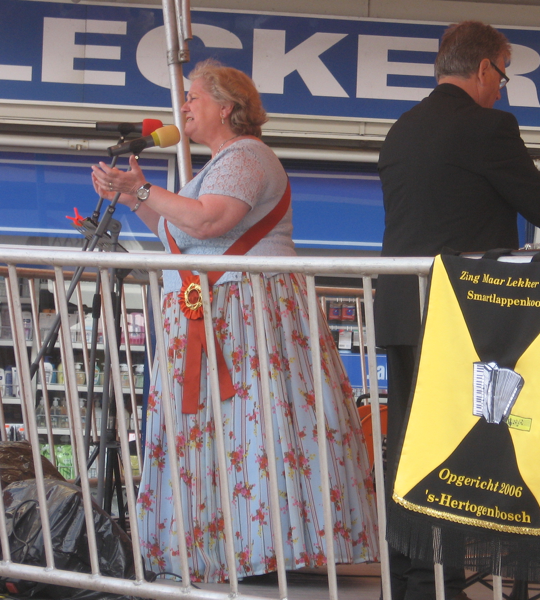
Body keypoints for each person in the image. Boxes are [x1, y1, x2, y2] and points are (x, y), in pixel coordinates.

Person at [91, 59, 379, 583]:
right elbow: (181, 232)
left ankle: (258, 546)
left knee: (252, 426)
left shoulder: (247, 156)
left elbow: (210, 219)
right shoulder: (217, 166)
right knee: (234, 429)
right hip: (217, 312)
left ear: (226, 107)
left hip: (244, 315)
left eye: (193, 97)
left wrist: (144, 191)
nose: (183, 107)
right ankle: (232, 545)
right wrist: (132, 198)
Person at [374, 21, 540, 600]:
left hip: (404, 309)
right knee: (459, 449)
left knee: (410, 448)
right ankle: (437, 583)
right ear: (485, 67)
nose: (500, 89)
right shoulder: (488, 127)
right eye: (503, 76)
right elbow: (539, 201)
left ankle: (410, 578)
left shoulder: (402, 127)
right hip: (460, 318)